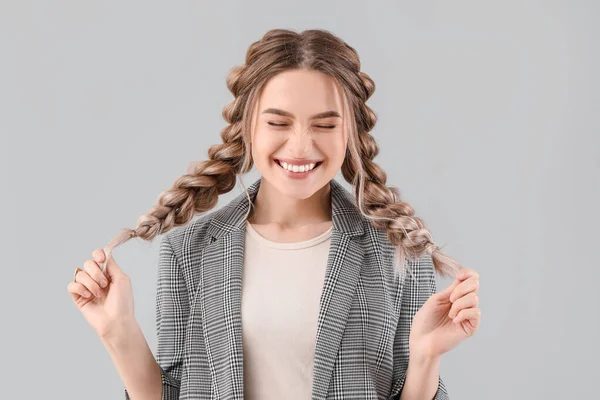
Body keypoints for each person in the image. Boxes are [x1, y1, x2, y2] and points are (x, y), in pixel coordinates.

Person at [67, 28, 481, 400]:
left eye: (324, 125)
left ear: (351, 133)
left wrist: (425, 357)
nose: (300, 146)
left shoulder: (399, 252)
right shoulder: (189, 251)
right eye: (278, 122)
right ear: (248, 127)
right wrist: (116, 331)